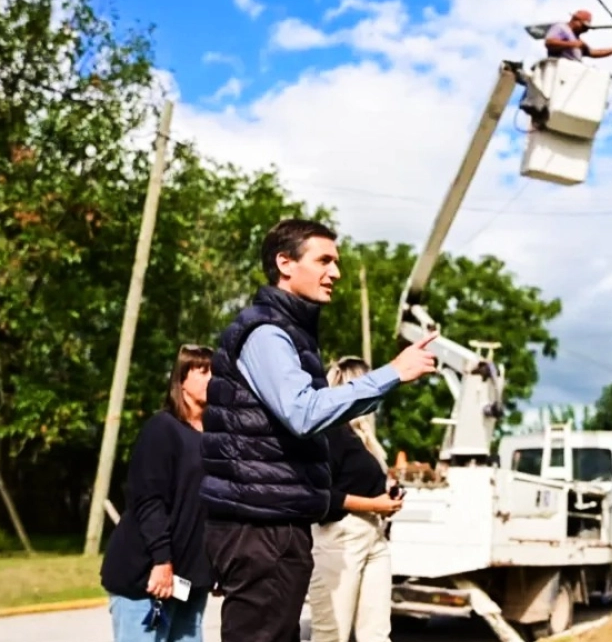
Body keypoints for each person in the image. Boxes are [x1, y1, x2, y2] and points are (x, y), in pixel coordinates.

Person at [199, 219, 438, 642]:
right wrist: (391, 373)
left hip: (276, 521)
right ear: (284, 263)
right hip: (260, 527)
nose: (336, 273)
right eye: (324, 260)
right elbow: (303, 412)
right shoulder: (266, 332)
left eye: (337, 261)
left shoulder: (289, 331)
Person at [101, 344, 215, 642]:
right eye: (203, 371)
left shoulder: (215, 437)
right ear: (181, 379)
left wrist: (216, 566)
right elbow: (149, 500)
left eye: (216, 371)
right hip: (149, 576)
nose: (212, 378)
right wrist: (162, 560)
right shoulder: (162, 428)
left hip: (191, 580)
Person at [307, 356, 403, 642]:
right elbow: (323, 496)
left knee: (376, 634)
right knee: (331, 634)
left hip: (373, 533)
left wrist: (387, 495)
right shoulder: (330, 433)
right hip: (341, 537)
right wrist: (376, 504)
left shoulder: (362, 436)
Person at [544, 9, 612, 61]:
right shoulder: (561, 27)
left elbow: (592, 52)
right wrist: (573, 44)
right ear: (575, 20)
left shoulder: (576, 38)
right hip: (559, 70)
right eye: (584, 26)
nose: (585, 30)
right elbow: (549, 43)